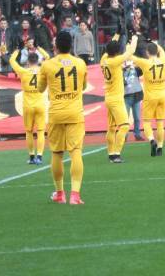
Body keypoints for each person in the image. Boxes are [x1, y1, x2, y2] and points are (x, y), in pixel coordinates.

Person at [38, 30, 88, 205]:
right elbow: (83, 86)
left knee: (57, 154)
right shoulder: (80, 63)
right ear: (71, 45)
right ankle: (75, 194)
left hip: (56, 113)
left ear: (56, 46)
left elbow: (39, 88)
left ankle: (60, 193)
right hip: (75, 112)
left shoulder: (47, 65)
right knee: (76, 152)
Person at [99, 34, 138, 163]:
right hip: (116, 99)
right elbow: (131, 51)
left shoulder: (103, 59)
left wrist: (116, 35)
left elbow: (110, 47)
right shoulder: (115, 61)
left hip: (108, 97)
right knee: (125, 126)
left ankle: (111, 153)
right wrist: (135, 38)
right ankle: (116, 153)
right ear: (116, 52)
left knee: (111, 128)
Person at [9, 46, 49, 165]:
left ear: (28, 62)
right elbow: (48, 57)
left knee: (29, 131)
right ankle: (40, 157)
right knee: (41, 131)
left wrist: (17, 50)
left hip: (28, 105)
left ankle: (32, 157)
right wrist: (39, 48)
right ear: (38, 61)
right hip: (40, 104)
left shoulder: (24, 71)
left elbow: (12, 61)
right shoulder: (43, 69)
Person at [133, 41, 165, 157]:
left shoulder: (145, 63)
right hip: (162, 95)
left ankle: (152, 140)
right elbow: (161, 51)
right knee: (160, 122)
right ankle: (160, 147)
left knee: (147, 122)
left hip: (150, 96)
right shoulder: (163, 59)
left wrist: (130, 46)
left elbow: (130, 57)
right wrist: (156, 44)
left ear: (147, 52)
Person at [122, 60, 144, 142]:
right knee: (125, 118)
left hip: (136, 96)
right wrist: (124, 69)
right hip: (126, 96)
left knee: (137, 118)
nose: (128, 63)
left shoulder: (136, 69)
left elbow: (142, 70)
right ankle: (124, 136)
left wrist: (136, 64)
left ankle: (137, 134)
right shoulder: (120, 71)